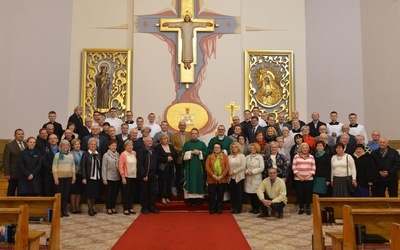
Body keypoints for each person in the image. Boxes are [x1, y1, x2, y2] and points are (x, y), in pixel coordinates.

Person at [181, 128, 208, 205]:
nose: (194, 135)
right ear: (190, 134)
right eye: (192, 133)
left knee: (199, 180)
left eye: (195, 133)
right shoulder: (187, 144)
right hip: (189, 166)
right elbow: (182, 154)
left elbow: (206, 153)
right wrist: (191, 153)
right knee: (190, 180)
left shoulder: (202, 144)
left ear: (198, 134)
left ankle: (199, 198)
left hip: (199, 166)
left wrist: (199, 152)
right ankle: (189, 198)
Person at [52, 139, 76, 217]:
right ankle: (58, 211)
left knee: (66, 195)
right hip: (60, 178)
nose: (65, 147)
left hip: (68, 177)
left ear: (69, 147)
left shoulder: (71, 155)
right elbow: (54, 167)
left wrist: (73, 177)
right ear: (60, 147)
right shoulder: (57, 155)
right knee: (60, 195)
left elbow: (73, 167)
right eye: (63, 145)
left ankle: (64, 210)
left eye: (67, 145)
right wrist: (55, 178)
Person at [205, 142, 229, 214]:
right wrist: (213, 176)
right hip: (211, 179)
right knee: (212, 195)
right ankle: (212, 208)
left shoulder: (225, 156)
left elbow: (227, 167)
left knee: (220, 194)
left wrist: (222, 176)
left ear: (221, 149)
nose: (216, 149)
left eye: (218, 147)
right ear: (213, 148)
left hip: (222, 179)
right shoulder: (209, 156)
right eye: (215, 147)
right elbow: (207, 167)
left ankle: (219, 208)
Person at [137, 137, 159, 214]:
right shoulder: (141, 151)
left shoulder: (153, 150)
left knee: (153, 192)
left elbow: (155, 163)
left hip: (153, 175)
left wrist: (156, 173)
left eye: (151, 141)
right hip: (145, 175)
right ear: (144, 142)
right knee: (144, 192)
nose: (150, 142)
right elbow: (140, 164)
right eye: (148, 141)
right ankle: (144, 207)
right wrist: (143, 175)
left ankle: (152, 207)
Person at [81, 138, 102, 216]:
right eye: (91, 144)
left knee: (94, 194)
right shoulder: (85, 154)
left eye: (94, 144)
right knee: (89, 194)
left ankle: (92, 208)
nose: (93, 145)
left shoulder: (98, 154)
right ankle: (90, 209)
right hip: (88, 177)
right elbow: (82, 166)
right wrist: (84, 177)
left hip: (97, 177)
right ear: (88, 145)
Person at [292, 143, 315, 215]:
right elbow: (294, 167)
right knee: (300, 194)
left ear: (308, 149)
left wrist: (308, 176)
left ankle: (308, 208)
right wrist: (299, 176)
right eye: (303, 148)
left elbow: (313, 168)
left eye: (306, 148)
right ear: (301, 149)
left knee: (308, 194)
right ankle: (301, 208)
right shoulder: (296, 156)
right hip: (298, 179)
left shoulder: (311, 157)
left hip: (309, 178)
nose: (305, 149)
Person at [170, 120, 191, 196]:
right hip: (178, 158)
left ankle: (187, 190)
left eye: (183, 125)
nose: (182, 127)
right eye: (181, 125)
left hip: (188, 158)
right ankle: (179, 190)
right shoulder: (173, 135)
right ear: (178, 126)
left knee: (187, 175)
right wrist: (180, 149)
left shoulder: (190, 135)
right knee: (179, 175)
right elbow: (172, 145)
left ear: (186, 126)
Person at [3, 129, 26, 196]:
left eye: (22, 134)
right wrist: (7, 173)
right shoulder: (9, 145)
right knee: (11, 191)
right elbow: (6, 160)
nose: (21, 135)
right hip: (13, 173)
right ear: (15, 135)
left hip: (24, 173)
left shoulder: (26, 144)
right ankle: (10, 205)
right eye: (19, 134)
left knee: (22, 192)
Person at [155, 134, 177, 205]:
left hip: (170, 167)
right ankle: (162, 197)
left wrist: (172, 158)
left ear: (168, 139)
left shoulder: (171, 146)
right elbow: (157, 158)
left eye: (165, 139)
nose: (164, 140)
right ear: (160, 140)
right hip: (162, 168)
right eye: (162, 139)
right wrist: (166, 159)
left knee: (169, 183)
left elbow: (175, 155)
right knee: (162, 183)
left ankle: (168, 197)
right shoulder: (158, 147)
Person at [244, 143, 265, 214]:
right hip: (248, 177)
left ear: (257, 149)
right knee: (250, 194)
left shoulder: (259, 157)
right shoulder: (246, 157)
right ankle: (253, 207)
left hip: (256, 177)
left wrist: (252, 172)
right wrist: (247, 172)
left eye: (254, 148)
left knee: (256, 194)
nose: (252, 149)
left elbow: (262, 168)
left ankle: (257, 208)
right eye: (251, 148)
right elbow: (244, 167)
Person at [102, 140, 120, 215]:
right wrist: (104, 178)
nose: (114, 147)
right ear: (109, 146)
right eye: (112, 145)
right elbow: (104, 167)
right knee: (109, 193)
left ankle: (113, 207)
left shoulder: (118, 154)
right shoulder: (106, 155)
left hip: (117, 176)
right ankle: (108, 208)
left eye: (115, 146)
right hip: (108, 176)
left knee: (115, 193)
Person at [119, 140, 137, 215]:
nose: (130, 147)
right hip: (126, 176)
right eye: (128, 145)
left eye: (131, 145)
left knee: (131, 193)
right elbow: (121, 166)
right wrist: (123, 177)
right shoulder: (123, 154)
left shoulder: (134, 153)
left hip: (134, 176)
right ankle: (125, 208)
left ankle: (130, 207)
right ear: (125, 147)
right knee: (126, 193)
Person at [228, 142, 246, 214]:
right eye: (233, 147)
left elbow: (243, 166)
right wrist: (229, 171)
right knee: (232, 193)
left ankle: (238, 209)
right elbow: (226, 165)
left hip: (239, 177)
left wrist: (234, 172)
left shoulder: (242, 156)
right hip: (230, 177)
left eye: (236, 147)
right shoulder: (229, 156)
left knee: (239, 193)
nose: (234, 148)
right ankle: (233, 207)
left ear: (239, 148)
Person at [70, 139, 84, 214]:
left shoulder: (83, 153)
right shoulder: (71, 153)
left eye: (78, 144)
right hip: (73, 174)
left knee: (79, 192)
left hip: (81, 174)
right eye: (75, 144)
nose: (77, 146)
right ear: (72, 146)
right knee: (73, 192)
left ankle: (77, 207)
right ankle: (73, 208)